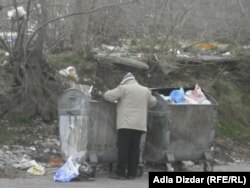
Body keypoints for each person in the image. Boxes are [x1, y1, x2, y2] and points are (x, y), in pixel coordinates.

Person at [103, 72, 157, 180]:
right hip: (139, 124)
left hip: (125, 124)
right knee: (135, 149)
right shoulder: (145, 90)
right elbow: (153, 102)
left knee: (123, 148)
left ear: (125, 80)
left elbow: (108, 96)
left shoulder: (123, 88)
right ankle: (132, 173)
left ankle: (121, 173)